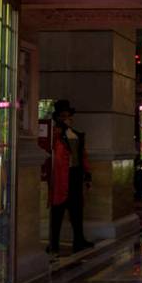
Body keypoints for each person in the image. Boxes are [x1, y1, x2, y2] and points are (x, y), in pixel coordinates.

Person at [42, 99, 93, 256]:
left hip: (75, 175)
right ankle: (54, 244)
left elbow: (82, 155)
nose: (67, 118)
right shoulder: (54, 135)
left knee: (77, 210)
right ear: (57, 117)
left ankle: (79, 240)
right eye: (64, 116)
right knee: (57, 211)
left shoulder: (76, 134)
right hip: (60, 177)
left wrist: (87, 174)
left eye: (69, 116)